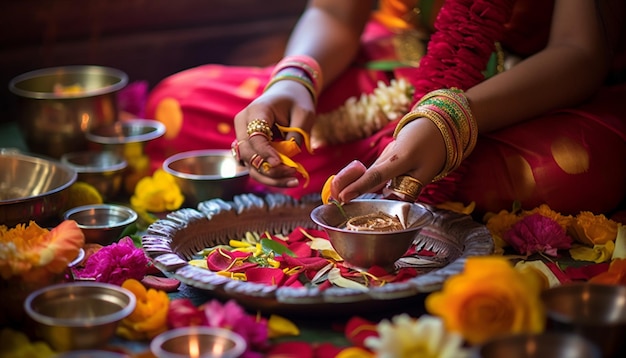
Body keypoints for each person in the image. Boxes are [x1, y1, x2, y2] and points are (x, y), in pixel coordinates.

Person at [143, 0, 626, 217]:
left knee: (559, 169)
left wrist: (451, 124)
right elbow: (333, 13)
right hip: (390, 67)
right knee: (176, 103)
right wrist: (293, 81)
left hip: (519, 90)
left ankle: (381, 166)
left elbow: (581, 53)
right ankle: (381, 167)